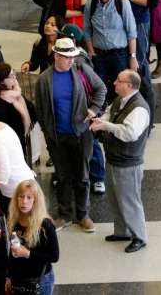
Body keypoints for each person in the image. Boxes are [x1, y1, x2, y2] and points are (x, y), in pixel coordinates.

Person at [34, 38, 106, 231]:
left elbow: (101, 89)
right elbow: (40, 109)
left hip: (81, 134)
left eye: (73, 57)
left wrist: (93, 109)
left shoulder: (82, 71)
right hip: (57, 136)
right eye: (67, 58)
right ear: (56, 56)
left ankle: (83, 215)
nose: (71, 61)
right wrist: (47, 132)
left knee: (82, 176)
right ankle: (65, 215)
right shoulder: (43, 80)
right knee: (63, 176)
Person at [89, 69, 150, 254]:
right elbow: (109, 113)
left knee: (130, 201)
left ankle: (139, 236)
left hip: (128, 163)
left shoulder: (139, 108)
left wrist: (106, 126)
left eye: (119, 80)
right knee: (116, 199)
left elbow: (129, 133)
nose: (114, 83)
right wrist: (100, 120)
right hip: (114, 159)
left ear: (129, 86)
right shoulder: (119, 101)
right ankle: (122, 231)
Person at [84, 0, 138, 104]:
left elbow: (131, 32)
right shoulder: (90, 4)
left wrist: (133, 56)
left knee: (121, 88)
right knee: (100, 88)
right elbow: (87, 31)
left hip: (119, 54)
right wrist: (91, 52)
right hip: (99, 55)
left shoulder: (122, 3)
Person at [7, 180, 59, 295]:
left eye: (29, 197)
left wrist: (28, 253)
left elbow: (54, 256)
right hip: (19, 279)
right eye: (21, 196)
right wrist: (9, 276)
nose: (24, 202)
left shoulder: (45, 225)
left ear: (36, 201)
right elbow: (13, 252)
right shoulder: (14, 221)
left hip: (40, 280)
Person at [0, 63, 36, 153]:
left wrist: (18, 96)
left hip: (19, 141)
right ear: (1, 81)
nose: (15, 77)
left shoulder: (14, 93)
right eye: (11, 76)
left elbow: (33, 112)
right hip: (5, 145)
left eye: (14, 73)